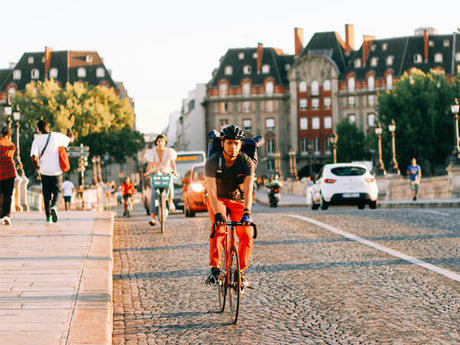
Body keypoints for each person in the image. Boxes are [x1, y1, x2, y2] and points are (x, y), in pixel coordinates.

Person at [204, 124, 255, 289]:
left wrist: (247, 213)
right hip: (217, 198)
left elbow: (248, 190)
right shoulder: (212, 162)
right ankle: (216, 269)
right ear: (222, 143)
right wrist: (219, 214)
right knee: (219, 228)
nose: (233, 147)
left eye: (236, 143)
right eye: (229, 143)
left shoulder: (246, 162)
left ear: (240, 145)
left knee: (247, 234)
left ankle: (240, 272)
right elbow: (211, 191)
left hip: (238, 200)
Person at [30, 120, 74, 223]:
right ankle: (54, 206)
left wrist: (37, 167)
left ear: (38, 129)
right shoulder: (57, 136)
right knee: (57, 191)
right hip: (56, 171)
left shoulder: (37, 140)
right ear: (48, 127)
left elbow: (33, 156)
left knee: (46, 194)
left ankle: (48, 217)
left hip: (44, 171)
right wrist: (70, 133)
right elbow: (71, 140)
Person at [144, 134, 177, 226]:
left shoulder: (170, 151)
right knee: (154, 195)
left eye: (162, 141)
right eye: (158, 141)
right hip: (155, 175)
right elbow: (149, 164)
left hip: (166, 173)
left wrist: (175, 172)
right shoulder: (151, 152)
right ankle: (152, 217)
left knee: (170, 184)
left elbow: (173, 164)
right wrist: (147, 172)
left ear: (165, 142)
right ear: (156, 143)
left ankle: (170, 202)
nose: (160, 143)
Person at [0, 126, 17, 225]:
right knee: (8, 195)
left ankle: (0, 215)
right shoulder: (12, 145)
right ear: (9, 135)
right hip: (10, 173)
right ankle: (6, 215)